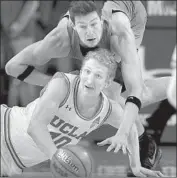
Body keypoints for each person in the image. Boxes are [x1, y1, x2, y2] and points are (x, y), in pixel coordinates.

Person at [5, 1, 170, 170]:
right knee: (100, 95)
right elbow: (13, 67)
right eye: (83, 27)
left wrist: (123, 132)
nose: (90, 33)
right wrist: (54, 82)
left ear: (102, 21)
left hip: (130, 13)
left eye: (94, 25)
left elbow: (136, 89)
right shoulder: (59, 40)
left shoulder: (119, 35)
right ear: (74, 26)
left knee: (117, 95)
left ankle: (146, 141)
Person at [1, 49, 163, 177]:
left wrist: (135, 165)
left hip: (12, 164)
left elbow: (131, 129)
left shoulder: (108, 109)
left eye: (98, 75)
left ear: (107, 82)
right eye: (87, 72)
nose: (89, 80)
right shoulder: (62, 84)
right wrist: (59, 159)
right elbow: (35, 127)